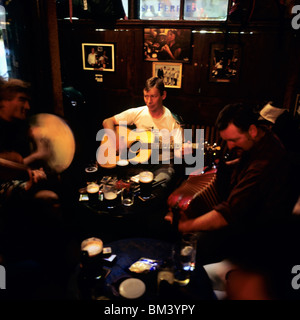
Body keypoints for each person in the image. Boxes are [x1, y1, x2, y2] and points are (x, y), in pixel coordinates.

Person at [165, 102, 299, 265]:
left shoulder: (264, 165)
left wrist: (185, 226)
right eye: (226, 140)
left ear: (252, 130)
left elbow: (228, 214)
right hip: (245, 216)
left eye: (234, 140)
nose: (229, 146)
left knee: (190, 244)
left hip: (256, 234)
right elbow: (246, 163)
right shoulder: (263, 136)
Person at [0, 78, 76, 298]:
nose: (28, 107)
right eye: (22, 100)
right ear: (3, 102)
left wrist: (41, 138)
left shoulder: (20, 125)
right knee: (52, 199)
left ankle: (67, 256)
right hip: (10, 189)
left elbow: (28, 153)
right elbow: (9, 168)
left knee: (66, 188)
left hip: (26, 180)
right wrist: (36, 156)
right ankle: (56, 268)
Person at [101, 77, 186, 191]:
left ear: (163, 95)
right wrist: (113, 140)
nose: (149, 101)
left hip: (162, 164)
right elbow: (108, 121)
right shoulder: (139, 112)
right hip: (139, 163)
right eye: (146, 96)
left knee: (157, 188)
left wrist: (183, 151)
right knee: (116, 184)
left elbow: (178, 151)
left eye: (153, 96)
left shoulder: (173, 120)